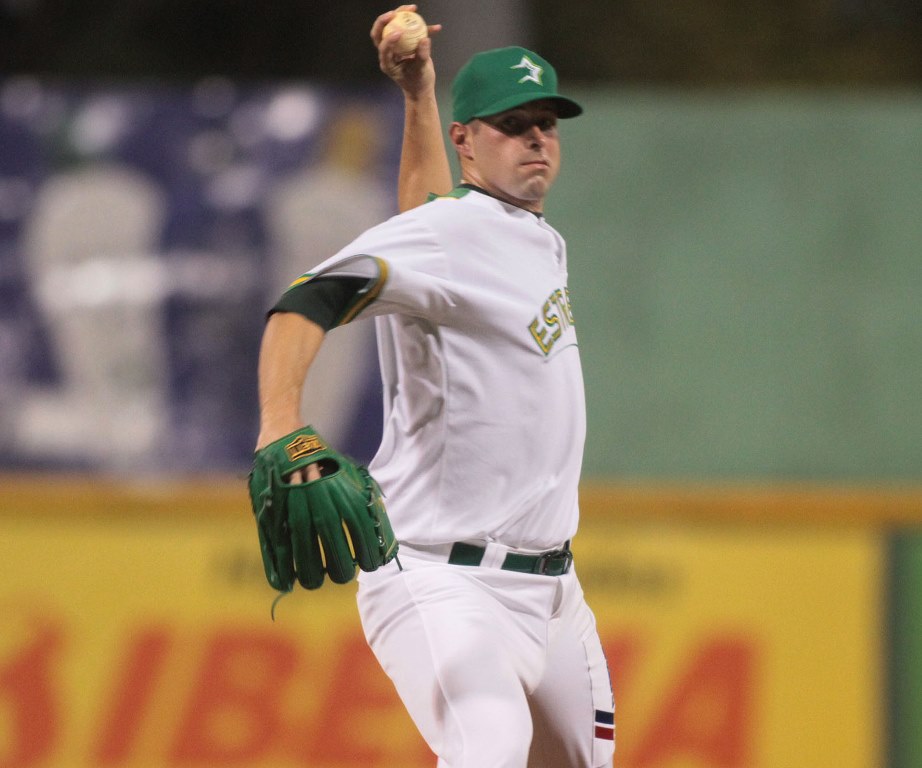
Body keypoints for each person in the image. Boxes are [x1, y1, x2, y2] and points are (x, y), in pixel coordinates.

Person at [254, 6, 615, 766]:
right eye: (512, 124)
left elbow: (426, 214)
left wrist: (418, 92)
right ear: (466, 141)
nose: (536, 138)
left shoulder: (527, 235)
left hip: (554, 591)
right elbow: (305, 301)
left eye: (546, 123)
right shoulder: (451, 235)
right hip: (443, 579)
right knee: (490, 750)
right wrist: (280, 422)